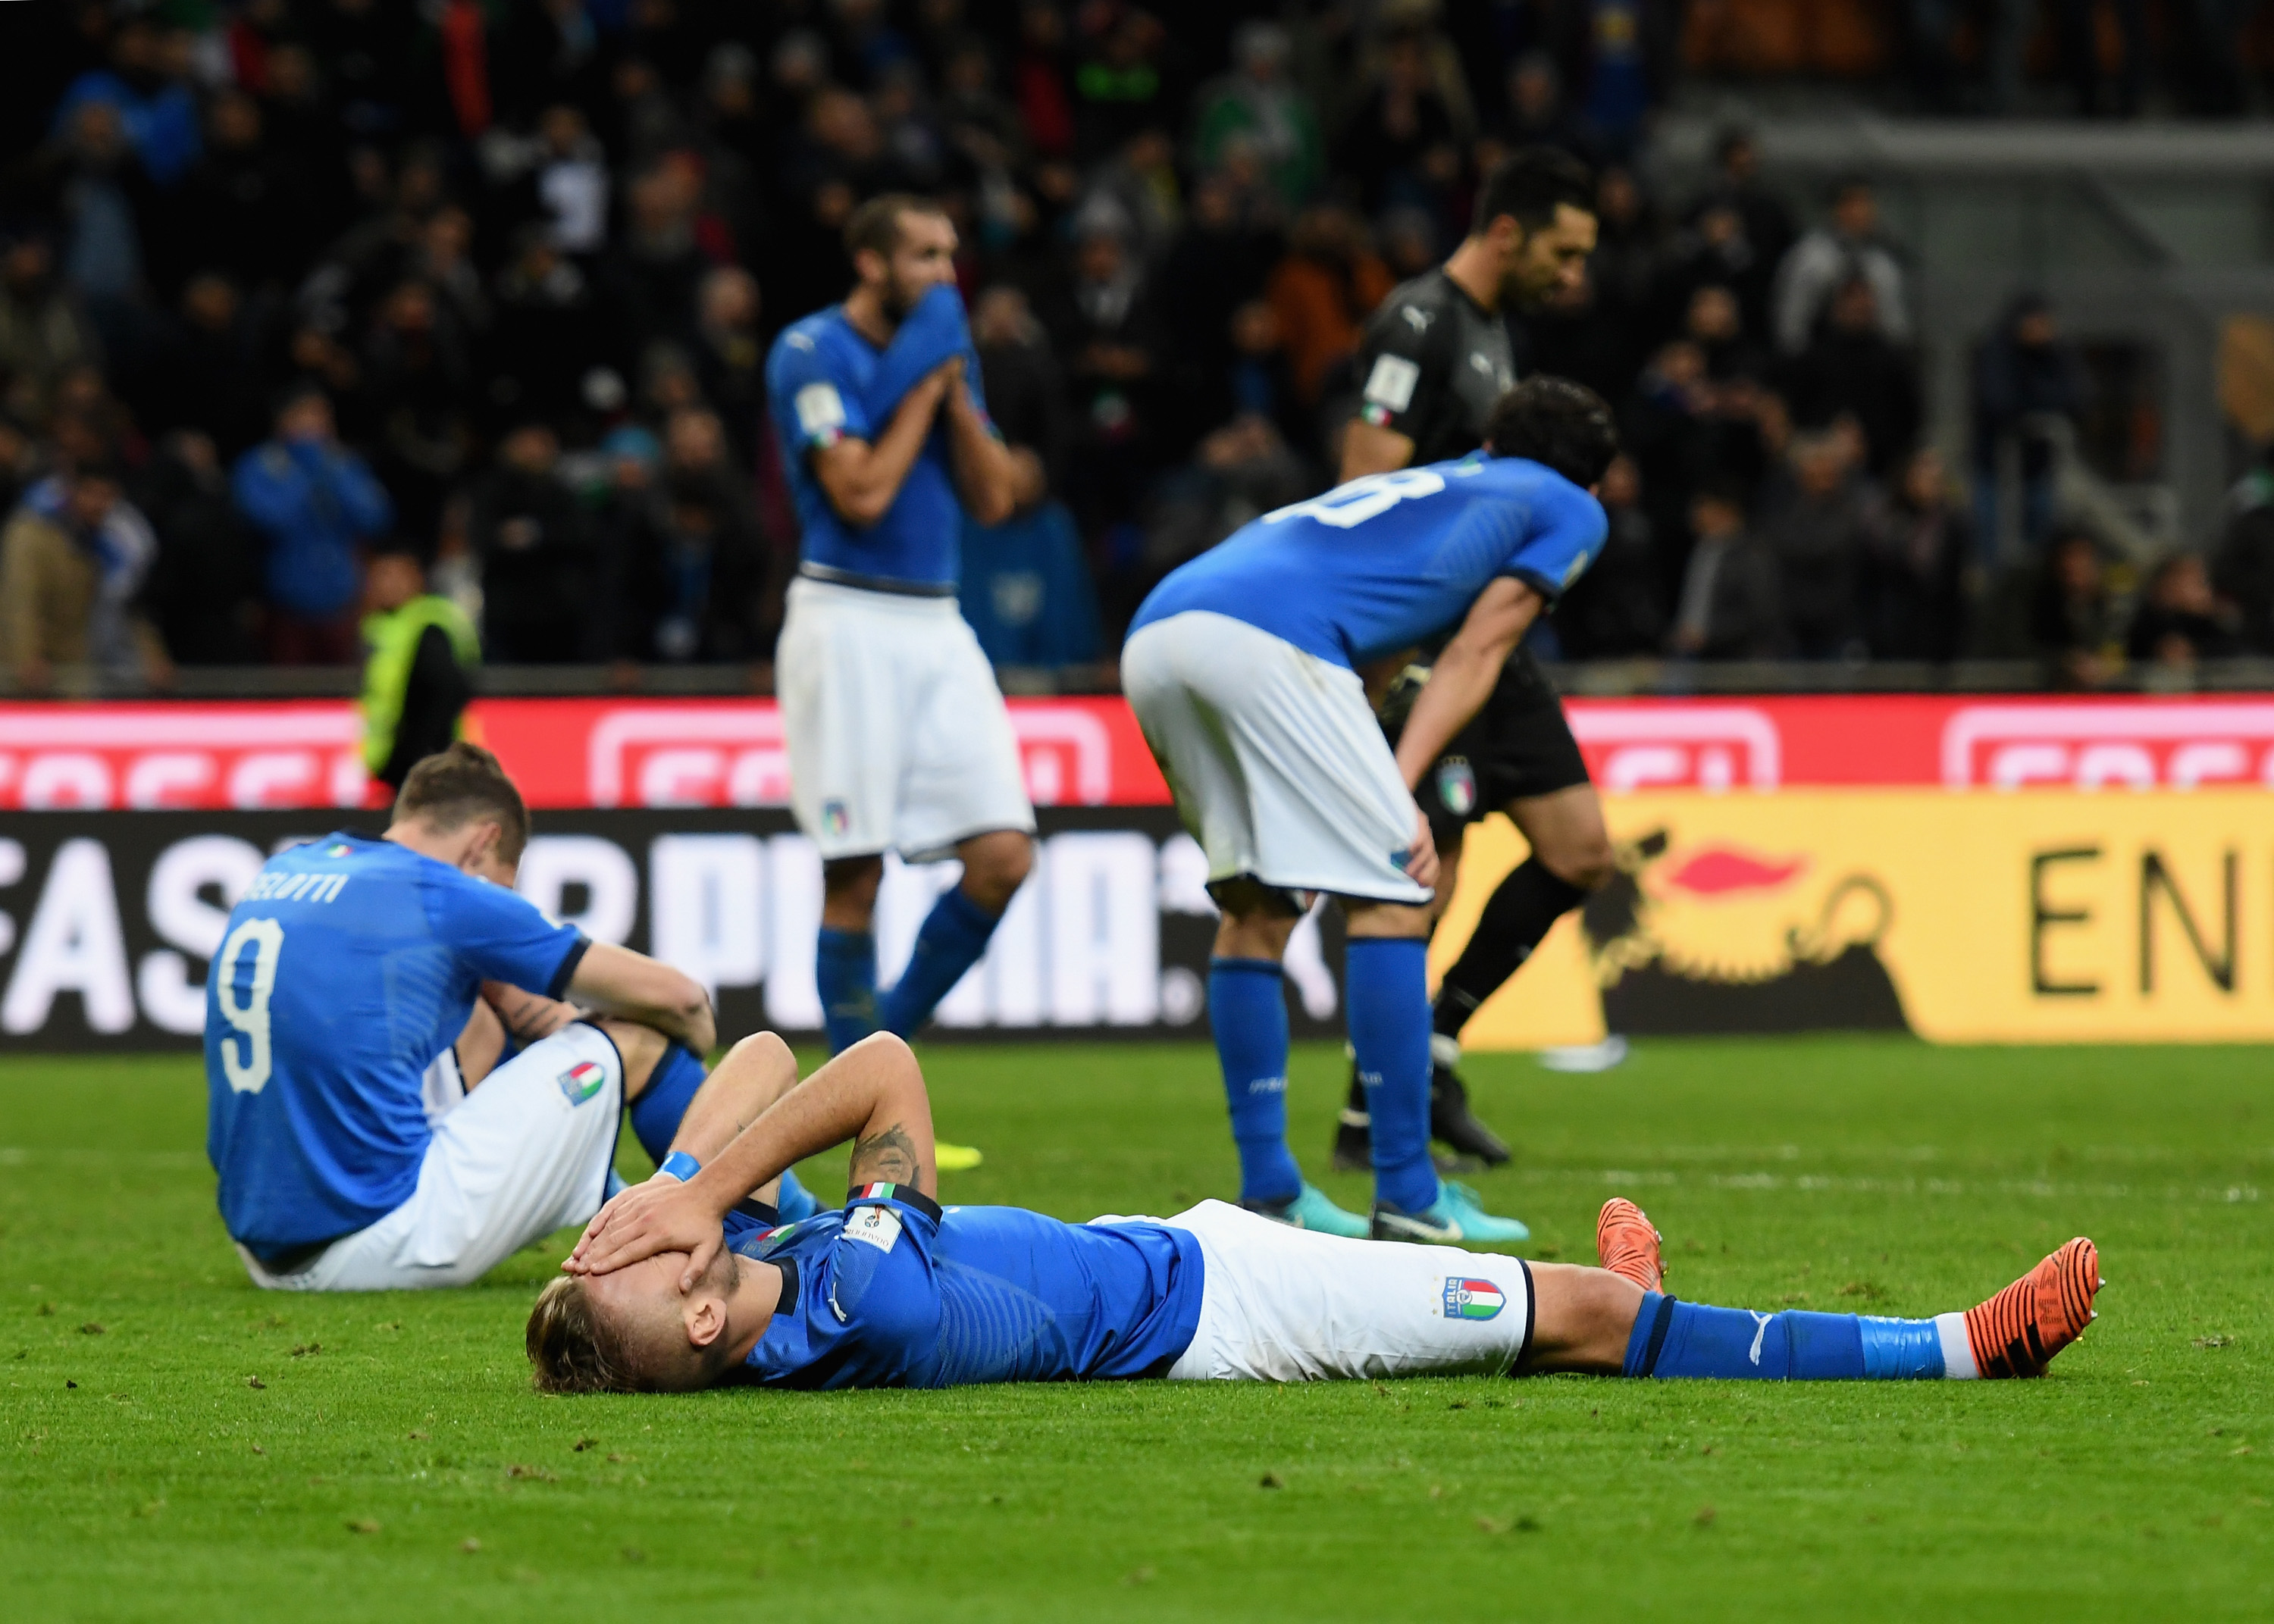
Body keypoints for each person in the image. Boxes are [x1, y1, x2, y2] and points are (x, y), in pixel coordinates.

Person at [533, 1031, 2103, 1394]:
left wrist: (676, 1189)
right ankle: (1967, 1347)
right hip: (1231, 1317)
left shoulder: (758, 1274)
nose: (644, 1225)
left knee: (1562, 1304)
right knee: (1598, 1319)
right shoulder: (848, 1301)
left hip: (1195, 1246)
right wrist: (696, 1194)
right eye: (641, 1254)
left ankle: (1577, 1297)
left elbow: (744, 1057)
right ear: (687, 1312)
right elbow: (878, 1071)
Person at [1120, 378, 1615, 1244]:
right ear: (1592, 482)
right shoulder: (1565, 506)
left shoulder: (1439, 487)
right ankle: (1409, 1197)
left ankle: (1270, 1190)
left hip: (1160, 630)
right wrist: (1398, 785)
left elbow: (1382, 642)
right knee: (1395, 893)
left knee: (1257, 906)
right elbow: (1479, 648)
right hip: (1268, 642)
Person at [1336, 149, 1608, 1181]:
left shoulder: (1493, 330)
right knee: (1424, 878)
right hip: (1423, 639)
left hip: (1491, 639)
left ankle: (1437, 1041)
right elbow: (1365, 474)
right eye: (1565, 251)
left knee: (1580, 848)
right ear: (1509, 232)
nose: (1574, 274)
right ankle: (1377, 1115)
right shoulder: (1421, 321)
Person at [205, 743, 717, 1291]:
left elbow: (517, 1007)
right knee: (637, 1041)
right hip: (375, 1236)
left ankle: (608, 1195)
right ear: (484, 842)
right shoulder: (440, 894)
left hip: (263, 1253)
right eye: (504, 883)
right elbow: (681, 999)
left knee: (482, 1013)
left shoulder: (289, 867)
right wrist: (693, 1038)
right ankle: (752, 1228)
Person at [763, 194, 1033, 1136]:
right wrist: (924, 385)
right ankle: (857, 1105)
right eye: (924, 255)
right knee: (856, 875)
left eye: (951, 254)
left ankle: (868, 1067)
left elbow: (997, 500)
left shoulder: (941, 357)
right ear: (873, 265)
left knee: (1005, 856)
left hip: (938, 620)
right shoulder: (812, 351)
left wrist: (956, 395)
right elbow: (861, 491)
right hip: (846, 617)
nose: (945, 275)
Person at [231, 383, 393, 665]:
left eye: (322, 417)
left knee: (342, 691)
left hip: (343, 602)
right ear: (285, 420)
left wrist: (329, 472)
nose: (317, 425)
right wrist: (303, 473)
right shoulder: (261, 465)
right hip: (284, 606)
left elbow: (375, 517)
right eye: (307, 416)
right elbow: (270, 520)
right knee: (290, 695)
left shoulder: (342, 463)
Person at [0, 455, 163, 690]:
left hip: (78, 669)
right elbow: (21, 601)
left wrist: (153, 655)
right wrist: (28, 657)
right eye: (90, 493)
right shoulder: (31, 535)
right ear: (71, 492)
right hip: (28, 674)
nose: (98, 504)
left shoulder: (113, 545)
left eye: (107, 496)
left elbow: (128, 606)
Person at [359, 544, 480, 793]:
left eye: (395, 575)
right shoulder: (381, 628)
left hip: (426, 763)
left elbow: (445, 692)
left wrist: (422, 757)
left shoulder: (431, 625)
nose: (387, 584)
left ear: (417, 578)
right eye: (380, 575)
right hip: (394, 763)